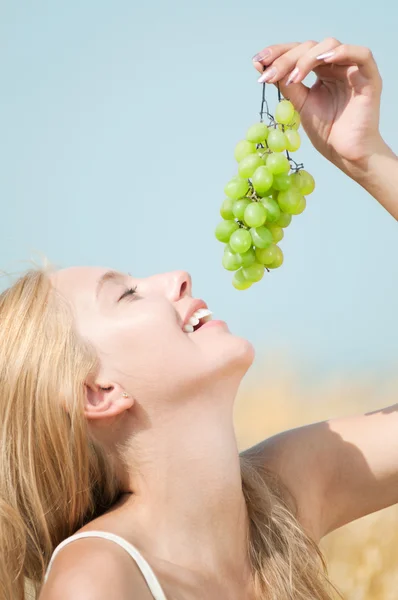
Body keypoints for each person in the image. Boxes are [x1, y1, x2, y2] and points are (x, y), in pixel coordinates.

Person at [1, 38, 397, 600]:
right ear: (97, 391)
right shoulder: (98, 582)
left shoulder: (283, 492)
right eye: (128, 295)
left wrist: (368, 159)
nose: (179, 277)